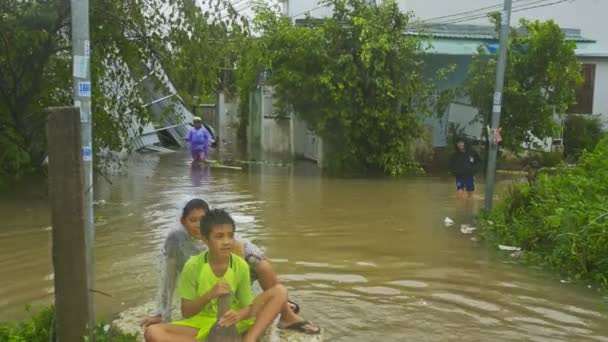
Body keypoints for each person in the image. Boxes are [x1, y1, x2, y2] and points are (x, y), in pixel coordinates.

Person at [141, 199, 320, 334]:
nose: (198, 224)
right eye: (192, 220)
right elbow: (169, 275)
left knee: (264, 268)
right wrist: (162, 312)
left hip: (232, 279)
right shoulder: (177, 242)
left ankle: (286, 314)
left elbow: (234, 244)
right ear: (183, 221)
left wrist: (243, 311)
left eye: (202, 219)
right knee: (155, 333)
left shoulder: (224, 238)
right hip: (205, 294)